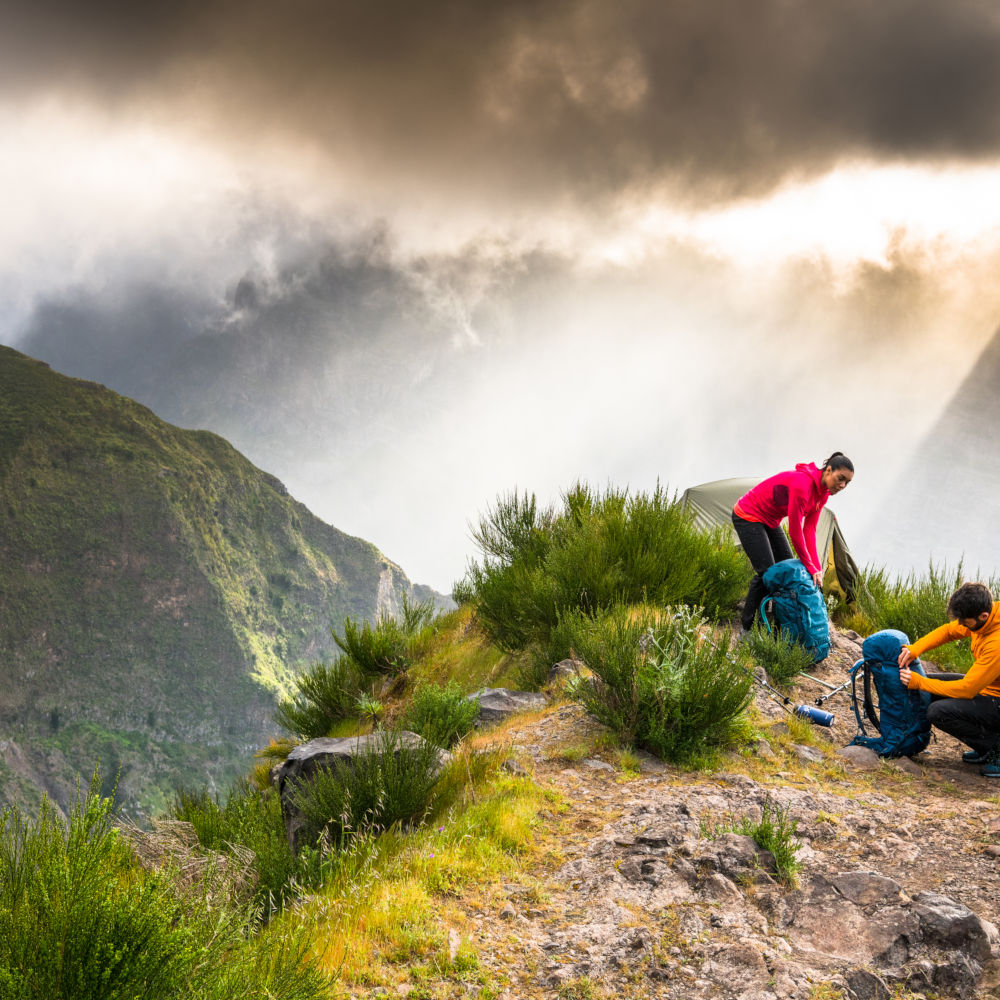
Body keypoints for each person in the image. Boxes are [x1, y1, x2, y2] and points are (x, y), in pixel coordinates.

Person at [731, 452, 854, 633]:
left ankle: (777, 623)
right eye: (840, 478)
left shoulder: (823, 494)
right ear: (828, 471)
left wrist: (815, 568)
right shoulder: (802, 485)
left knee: (789, 572)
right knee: (767, 573)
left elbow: (809, 530)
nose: (842, 485)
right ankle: (747, 629)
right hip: (748, 515)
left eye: (847, 482)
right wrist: (810, 567)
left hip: (770, 520)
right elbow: (796, 531)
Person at [897, 582, 1000, 777]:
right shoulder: (985, 616)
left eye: (964, 621)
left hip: (996, 700)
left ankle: (996, 747)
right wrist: (915, 649)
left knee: (938, 711)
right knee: (929, 689)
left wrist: (919, 682)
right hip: (988, 689)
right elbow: (948, 631)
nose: (960, 624)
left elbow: (967, 689)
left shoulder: (996, 642)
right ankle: (988, 746)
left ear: (983, 616)